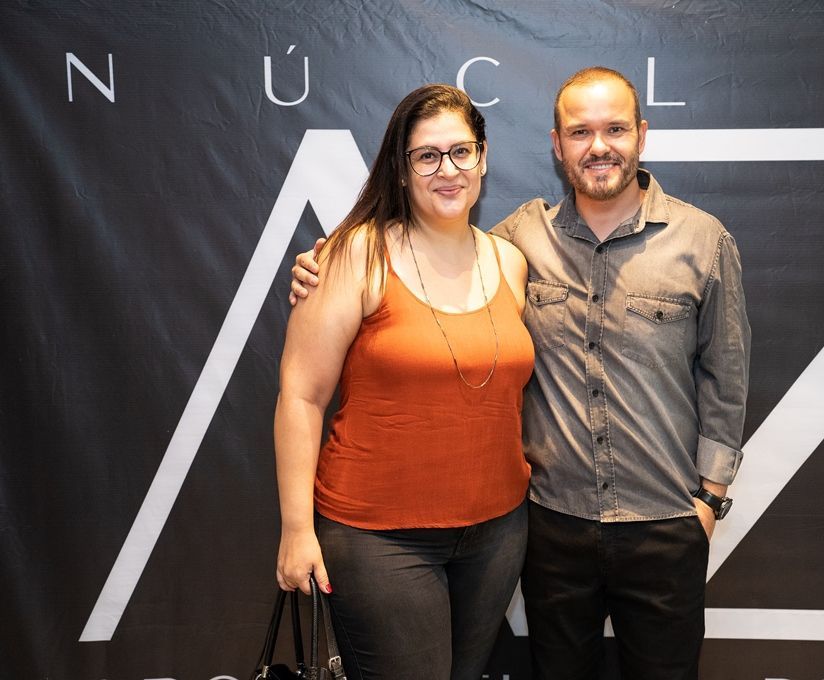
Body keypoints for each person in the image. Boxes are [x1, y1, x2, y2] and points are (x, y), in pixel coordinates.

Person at [291, 67, 750, 680]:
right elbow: (416, 257)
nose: (599, 146)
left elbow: (727, 377)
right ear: (556, 145)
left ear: (641, 135)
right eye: (579, 132)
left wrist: (708, 502)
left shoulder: (701, 241)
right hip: (549, 525)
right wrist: (323, 262)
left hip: (661, 520)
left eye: (615, 129)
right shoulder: (516, 243)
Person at [274, 83, 534, 680]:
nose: (448, 170)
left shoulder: (510, 261)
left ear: (484, 157)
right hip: (377, 540)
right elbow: (301, 396)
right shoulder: (352, 256)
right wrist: (295, 530)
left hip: (497, 535)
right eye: (427, 155)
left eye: (461, 151)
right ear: (402, 166)